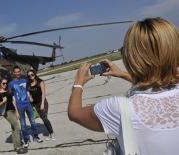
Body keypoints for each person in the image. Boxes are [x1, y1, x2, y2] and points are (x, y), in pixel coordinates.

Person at [68, 17, 179, 155]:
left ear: (133, 57)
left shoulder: (119, 109)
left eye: (124, 49)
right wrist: (121, 73)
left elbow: (74, 113)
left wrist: (78, 83)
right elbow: (157, 82)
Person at [8, 66, 43, 148]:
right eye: (16, 72)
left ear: (20, 72)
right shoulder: (11, 84)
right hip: (19, 106)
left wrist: (30, 96)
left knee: (33, 122)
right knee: (23, 124)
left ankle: (35, 137)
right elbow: (12, 98)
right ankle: (26, 140)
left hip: (28, 104)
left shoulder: (25, 80)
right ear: (13, 73)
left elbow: (27, 90)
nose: (17, 73)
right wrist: (16, 110)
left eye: (18, 71)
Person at [0, 78, 27, 154]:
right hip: (6, 112)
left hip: (13, 110)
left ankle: (16, 147)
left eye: (6, 83)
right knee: (17, 127)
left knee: (13, 128)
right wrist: (3, 101)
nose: (5, 85)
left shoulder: (8, 91)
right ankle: (19, 147)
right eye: (3, 83)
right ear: (0, 84)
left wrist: (17, 111)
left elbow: (13, 101)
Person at [27, 69, 55, 140]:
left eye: (32, 74)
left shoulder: (40, 82)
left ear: (34, 74)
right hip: (35, 104)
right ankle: (51, 133)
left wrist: (42, 103)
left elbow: (43, 93)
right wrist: (30, 97)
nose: (31, 76)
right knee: (43, 118)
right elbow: (29, 92)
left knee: (44, 118)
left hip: (42, 102)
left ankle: (52, 134)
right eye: (29, 75)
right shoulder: (29, 84)